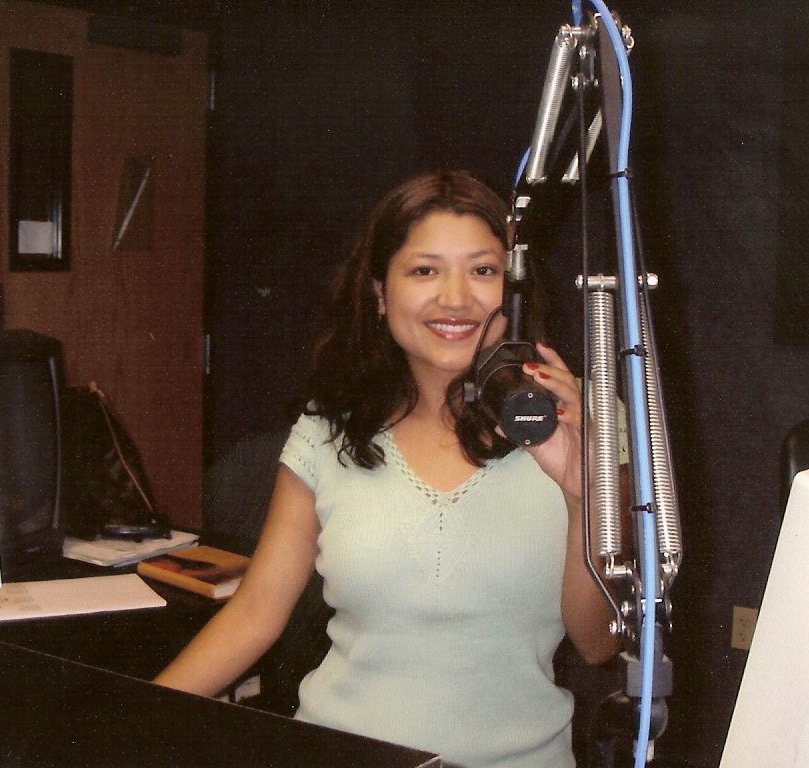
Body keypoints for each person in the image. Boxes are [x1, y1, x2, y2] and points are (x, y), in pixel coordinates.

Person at [154, 170, 617, 767]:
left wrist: (583, 495)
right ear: (380, 293)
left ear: (517, 289)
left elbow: (599, 643)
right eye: (424, 271)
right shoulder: (328, 430)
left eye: (483, 270)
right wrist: (129, 725)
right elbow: (254, 615)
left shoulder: (583, 423)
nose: (456, 298)